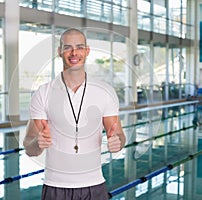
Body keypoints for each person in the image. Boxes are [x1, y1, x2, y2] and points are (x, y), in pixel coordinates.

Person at [23, 28, 126, 200]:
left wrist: (117, 141)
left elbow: (119, 135)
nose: (74, 53)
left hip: (94, 185)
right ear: (59, 52)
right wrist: (38, 143)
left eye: (79, 47)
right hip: (55, 186)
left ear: (87, 51)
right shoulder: (43, 93)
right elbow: (29, 148)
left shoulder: (104, 92)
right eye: (67, 47)